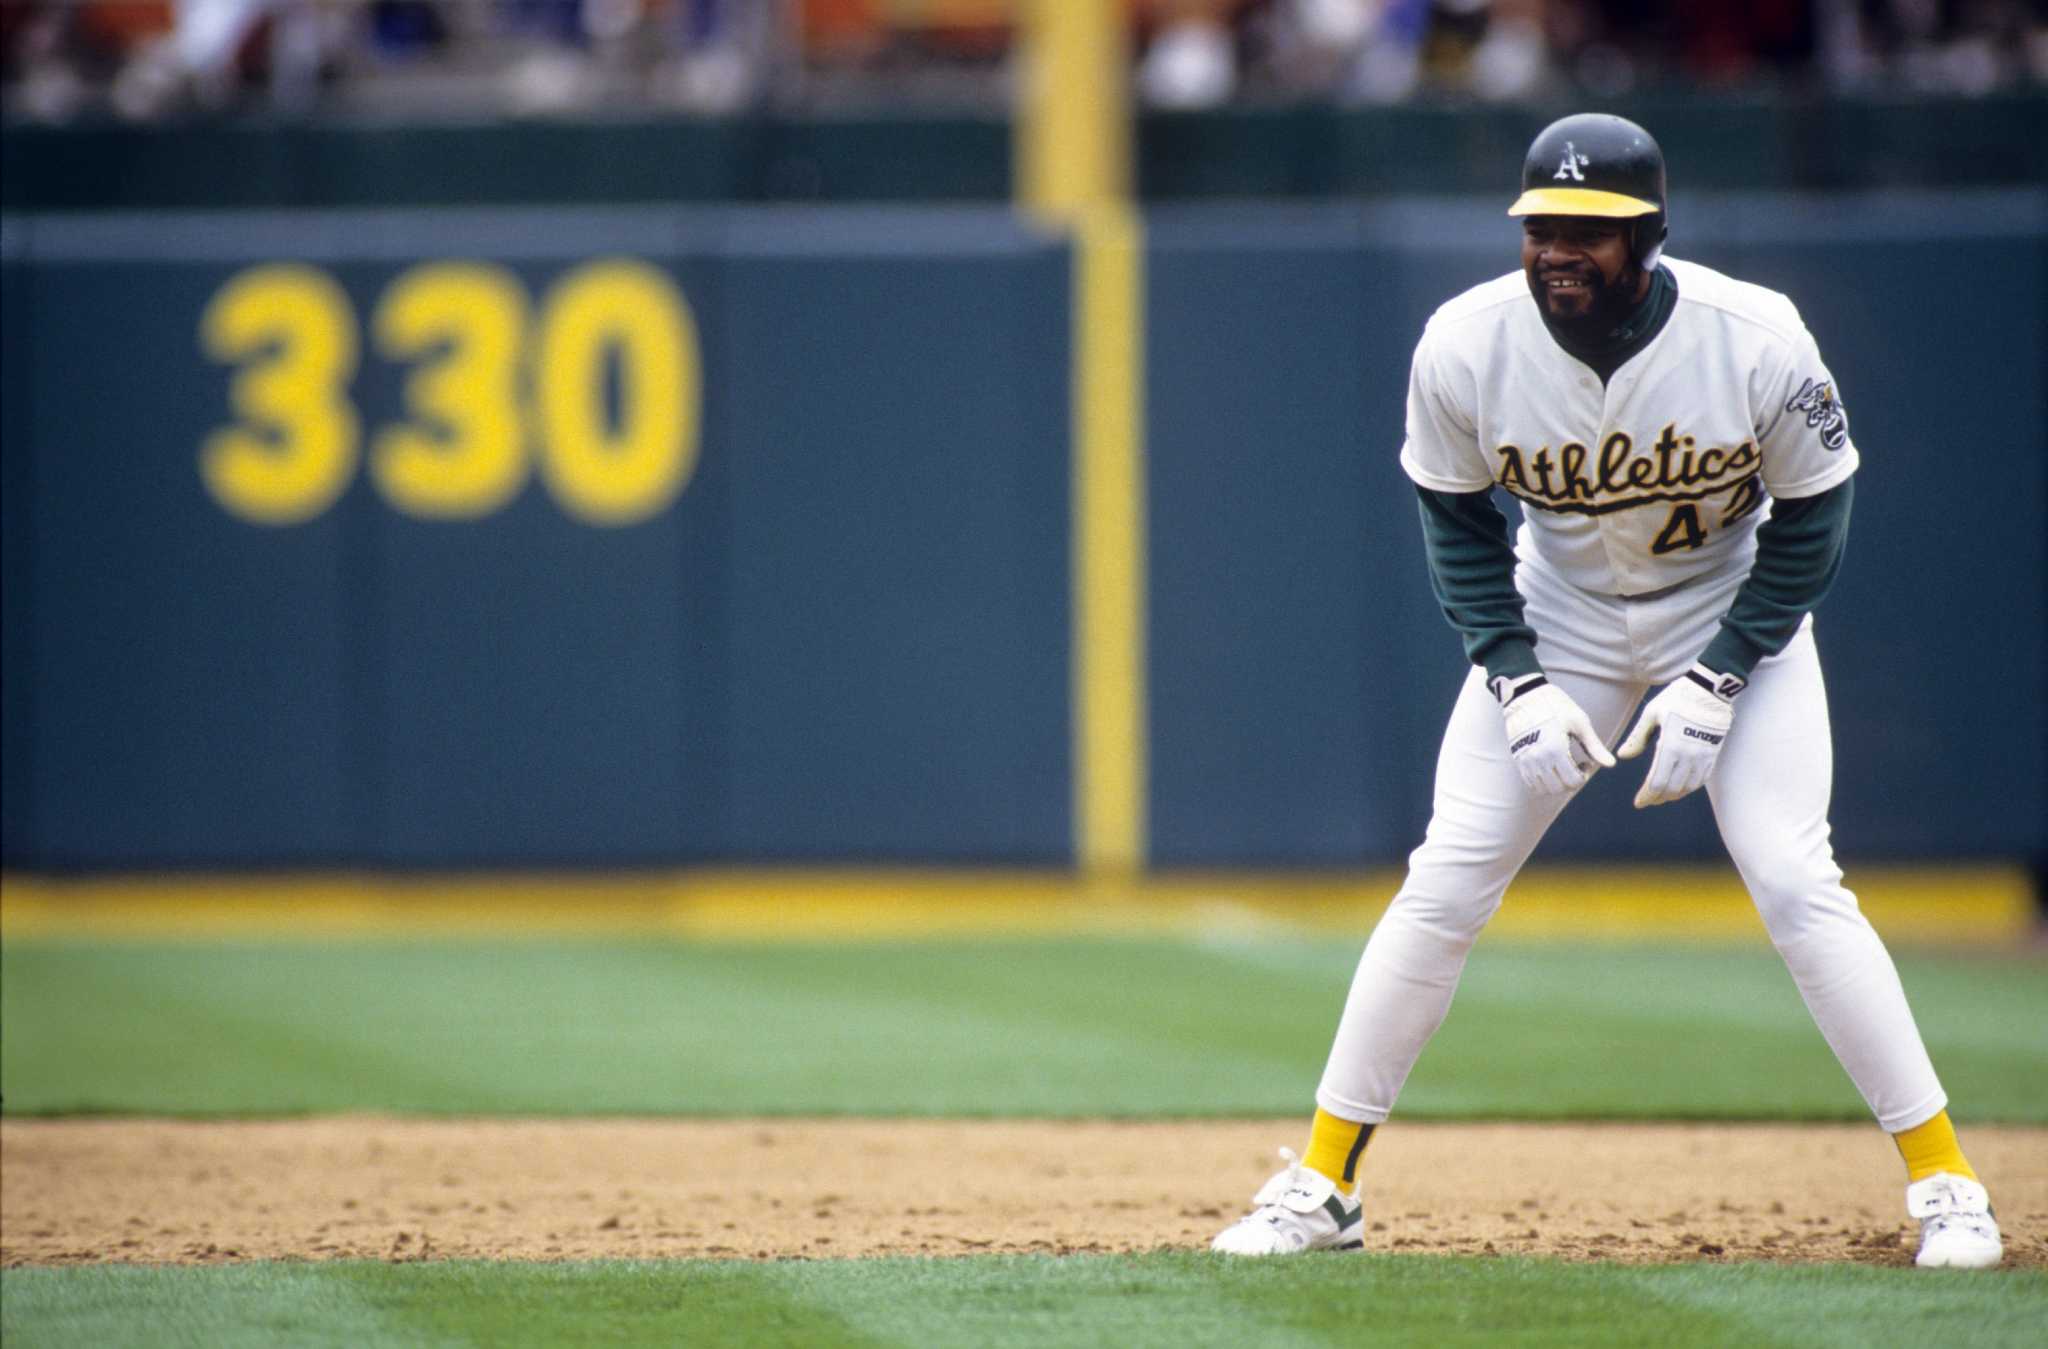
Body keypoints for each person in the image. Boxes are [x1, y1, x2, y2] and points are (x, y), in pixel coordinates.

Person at [1209, 112, 2003, 1269]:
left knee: (1791, 873)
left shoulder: (1754, 335)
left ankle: (1944, 1179)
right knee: (1444, 880)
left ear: (1650, 237)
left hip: (1730, 610)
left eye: (1591, 228)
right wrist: (1514, 678)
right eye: (1541, 225)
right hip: (1557, 619)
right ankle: (1323, 1185)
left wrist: (1724, 668)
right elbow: (1456, 523)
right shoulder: (1464, 342)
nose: (1558, 248)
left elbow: (1814, 514)